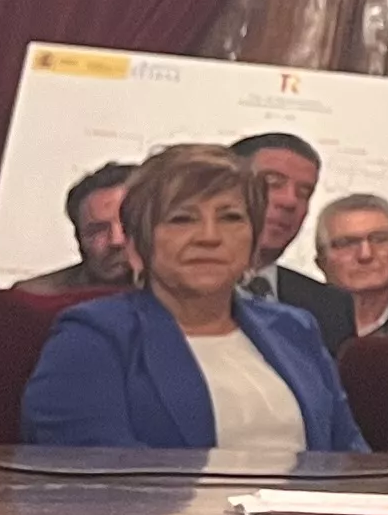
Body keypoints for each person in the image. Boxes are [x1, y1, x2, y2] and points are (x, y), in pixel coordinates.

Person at [21, 142, 365, 452]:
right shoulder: (93, 336)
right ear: (139, 244)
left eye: (230, 218)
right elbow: (97, 477)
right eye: (182, 218)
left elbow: (348, 459)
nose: (209, 237)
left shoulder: (294, 328)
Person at [228, 132, 356, 348]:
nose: (290, 201)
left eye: (304, 193)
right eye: (272, 183)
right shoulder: (169, 289)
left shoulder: (329, 306)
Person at [18, 160, 135, 292]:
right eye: (97, 230)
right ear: (79, 239)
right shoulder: (34, 301)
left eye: (129, 223)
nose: (116, 240)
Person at [308, 193, 388, 339]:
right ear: (321, 261)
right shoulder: (295, 327)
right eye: (347, 243)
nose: (365, 255)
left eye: (379, 240)